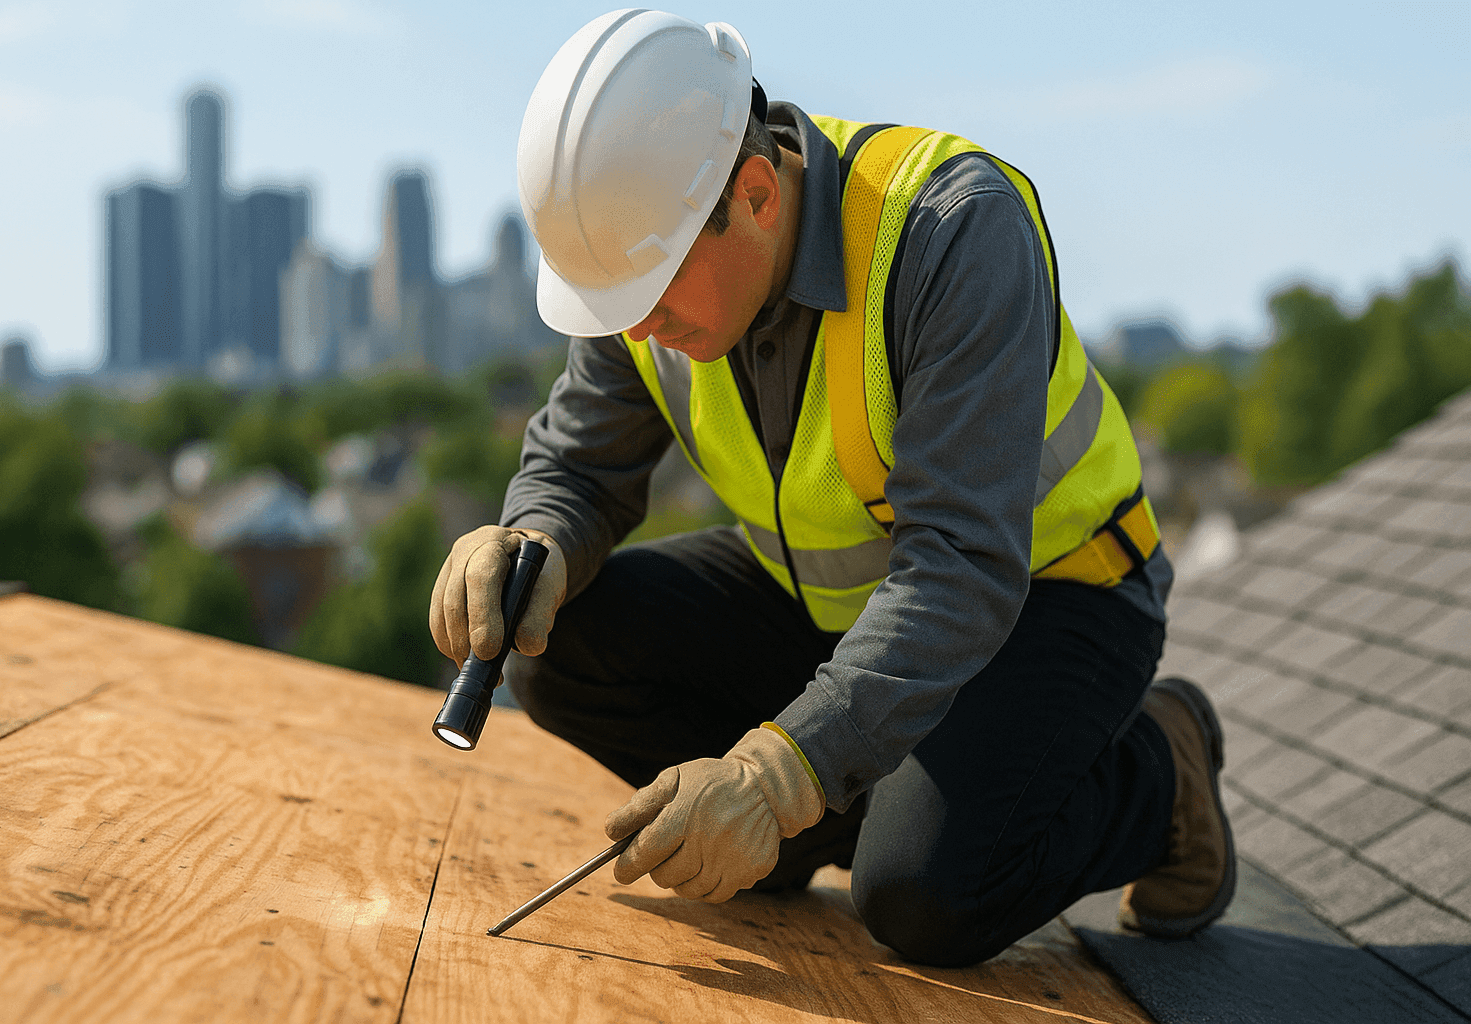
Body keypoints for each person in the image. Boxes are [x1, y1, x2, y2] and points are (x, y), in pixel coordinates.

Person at [428, 9, 1234, 967]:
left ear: (759, 194)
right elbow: (578, 468)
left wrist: (775, 775)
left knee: (924, 893)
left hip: (1049, 596)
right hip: (826, 599)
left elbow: (962, 569)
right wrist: (529, 545)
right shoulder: (648, 259)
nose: (633, 332)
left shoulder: (950, 232)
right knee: (555, 635)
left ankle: (1163, 775)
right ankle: (834, 799)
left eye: (648, 297)